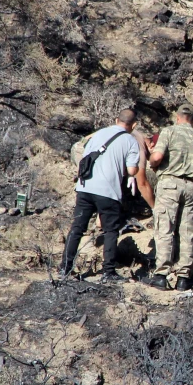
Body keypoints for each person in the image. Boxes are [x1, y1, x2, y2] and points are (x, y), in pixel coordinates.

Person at [60, 109, 141, 283]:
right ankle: (108, 272)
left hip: (85, 187)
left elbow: (84, 155)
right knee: (111, 231)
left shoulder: (98, 134)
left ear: (116, 119)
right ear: (134, 125)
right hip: (108, 191)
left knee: (77, 228)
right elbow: (132, 170)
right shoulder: (130, 141)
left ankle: (64, 268)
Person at [143, 104, 193, 291]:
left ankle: (161, 275)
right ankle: (184, 278)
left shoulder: (169, 132)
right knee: (187, 232)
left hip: (169, 184)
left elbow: (157, 158)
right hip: (192, 187)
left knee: (164, 228)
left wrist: (152, 160)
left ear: (178, 117)